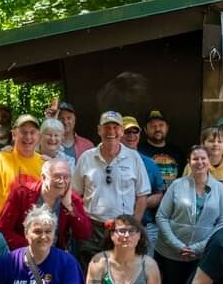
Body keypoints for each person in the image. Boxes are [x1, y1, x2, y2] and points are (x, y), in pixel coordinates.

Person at [155, 146, 223, 284]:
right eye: (195, 159)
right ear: (189, 163)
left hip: (202, 254)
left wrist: (199, 247)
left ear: (209, 161)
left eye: (203, 158)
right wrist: (177, 244)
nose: (199, 162)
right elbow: (161, 216)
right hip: (172, 252)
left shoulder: (219, 189)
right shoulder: (177, 186)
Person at [75, 111, 153, 268]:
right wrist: (81, 222)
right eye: (106, 127)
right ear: (99, 130)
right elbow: (75, 193)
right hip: (92, 228)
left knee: (122, 272)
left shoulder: (134, 158)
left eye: (115, 127)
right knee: (92, 272)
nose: (111, 131)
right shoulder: (86, 158)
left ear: (122, 131)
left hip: (124, 228)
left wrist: (134, 226)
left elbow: (142, 195)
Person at [0, 157, 92, 251]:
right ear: (43, 177)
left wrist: (70, 207)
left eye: (66, 177)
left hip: (55, 255)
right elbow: (2, 230)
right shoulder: (22, 193)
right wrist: (33, 248)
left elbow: (84, 234)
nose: (62, 181)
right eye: (57, 176)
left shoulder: (72, 199)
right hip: (24, 252)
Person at [0, 113, 45, 222]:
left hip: (36, 228)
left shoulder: (45, 165)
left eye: (32, 132)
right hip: (1, 229)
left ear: (39, 136)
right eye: (23, 132)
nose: (28, 137)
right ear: (14, 134)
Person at [121, 115, 166, 231]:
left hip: (144, 226)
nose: (132, 135)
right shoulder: (111, 161)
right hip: (115, 225)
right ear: (119, 134)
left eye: (135, 131)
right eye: (127, 132)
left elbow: (159, 194)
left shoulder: (150, 163)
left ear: (140, 134)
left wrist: (140, 203)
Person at [139, 109, 182, 188]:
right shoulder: (139, 152)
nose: (157, 129)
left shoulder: (178, 152)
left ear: (167, 128)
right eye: (153, 126)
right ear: (145, 130)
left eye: (161, 125)